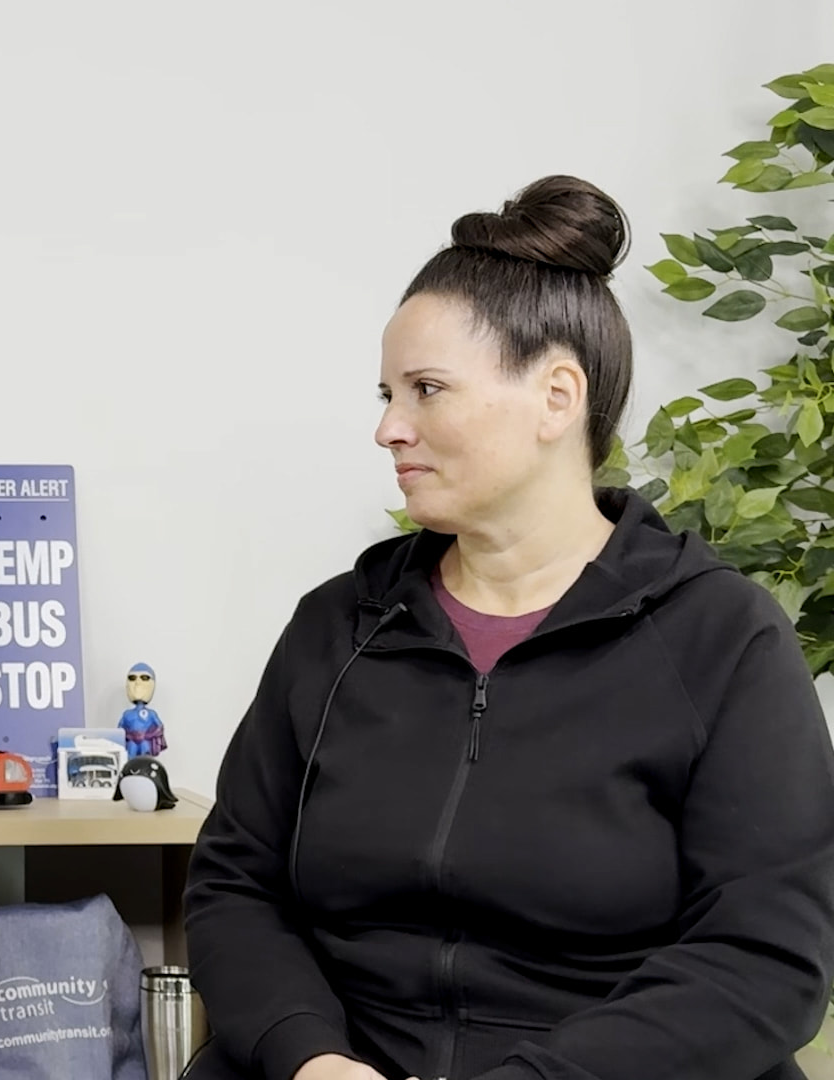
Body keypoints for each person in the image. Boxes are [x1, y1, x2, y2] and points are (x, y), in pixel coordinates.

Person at [181, 175, 834, 1080]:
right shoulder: (339, 626)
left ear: (557, 397)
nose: (388, 427)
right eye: (386, 392)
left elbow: (765, 957)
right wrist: (311, 1058)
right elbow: (236, 884)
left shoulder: (723, 639)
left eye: (427, 389)